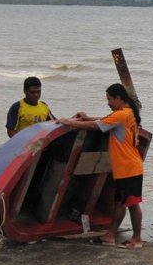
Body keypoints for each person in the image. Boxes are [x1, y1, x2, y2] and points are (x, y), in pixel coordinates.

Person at [57, 83, 144, 249]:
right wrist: (86, 117)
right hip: (129, 167)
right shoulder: (128, 113)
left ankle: (136, 238)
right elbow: (104, 120)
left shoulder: (121, 115)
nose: (108, 103)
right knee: (121, 203)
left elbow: (97, 126)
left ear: (118, 98)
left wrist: (70, 123)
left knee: (131, 204)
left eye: (110, 99)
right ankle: (110, 235)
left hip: (128, 168)